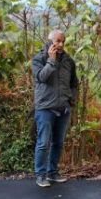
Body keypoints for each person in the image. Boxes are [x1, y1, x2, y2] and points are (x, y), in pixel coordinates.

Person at [32, 29, 79, 187]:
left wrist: (71, 99)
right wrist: (51, 61)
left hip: (63, 108)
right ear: (50, 41)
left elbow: (74, 83)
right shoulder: (39, 59)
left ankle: (52, 173)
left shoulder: (68, 61)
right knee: (43, 143)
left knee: (58, 143)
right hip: (45, 107)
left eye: (63, 41)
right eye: (57, 41)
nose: (60, 44)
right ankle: (40, 175)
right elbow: (41, 77)